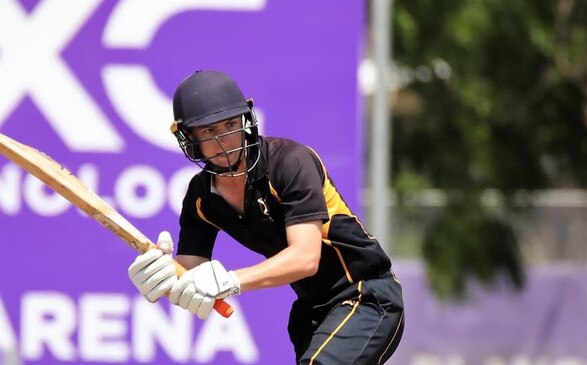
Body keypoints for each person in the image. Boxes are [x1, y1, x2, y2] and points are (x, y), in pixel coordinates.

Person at [127, 70, 404, 364]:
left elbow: (305, 258)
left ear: (245, 121)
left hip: (366, 295)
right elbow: (190, 278)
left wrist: (231, 281)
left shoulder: (289, 162)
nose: (224, 141)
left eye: (230, 124)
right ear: (189, 137)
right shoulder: (200, 197)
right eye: (209, 131)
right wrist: (163, 279)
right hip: (312, 312)